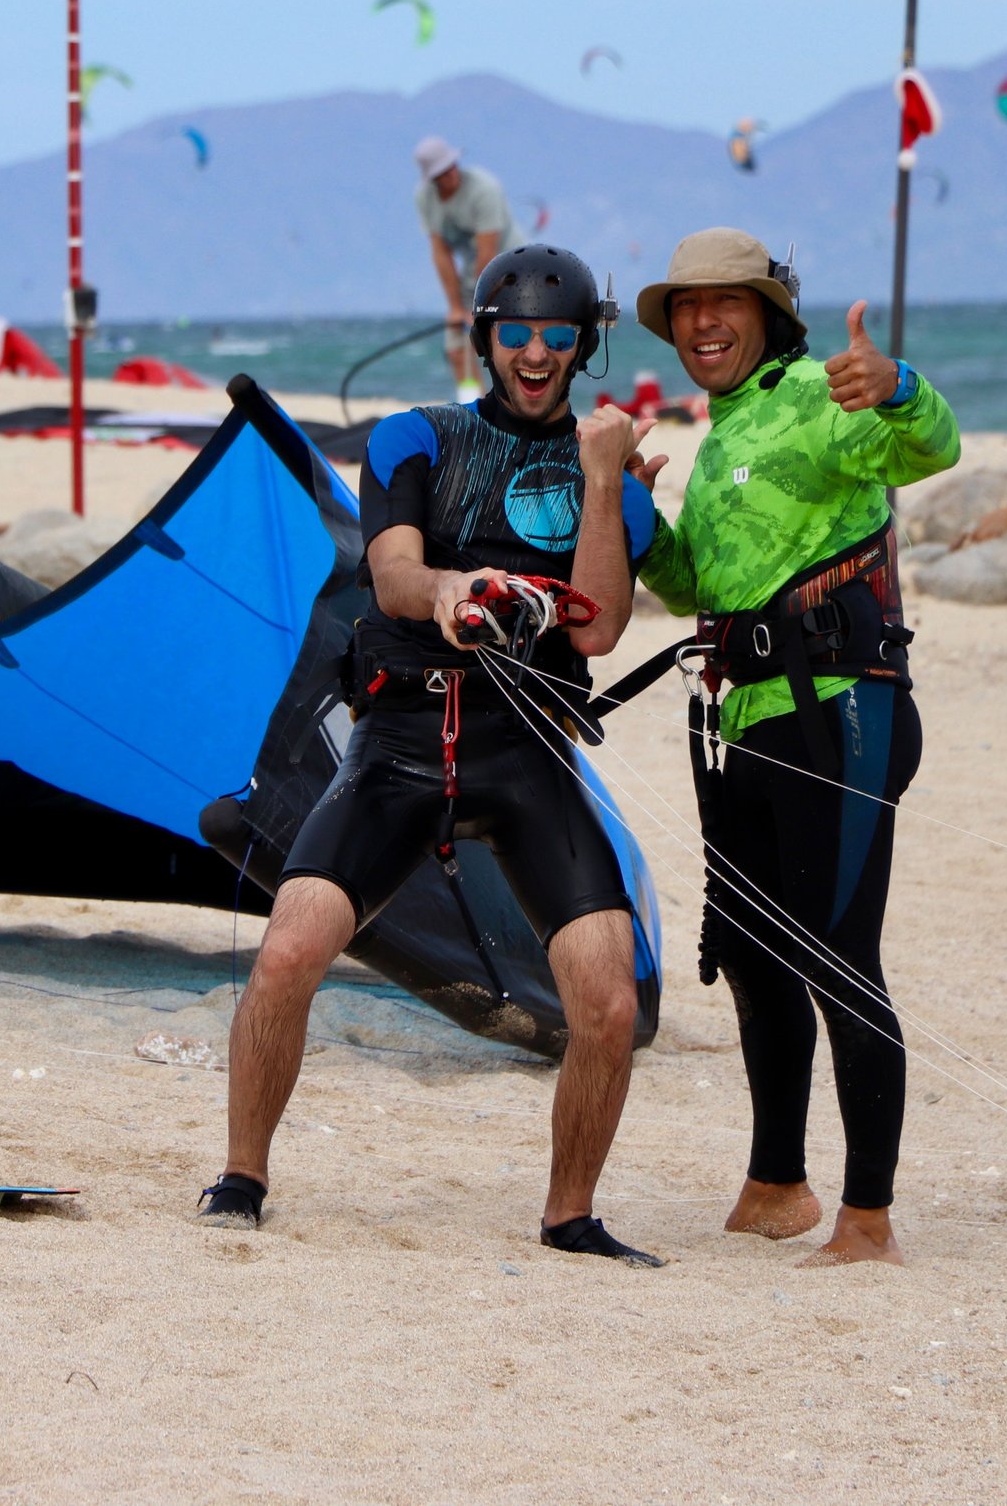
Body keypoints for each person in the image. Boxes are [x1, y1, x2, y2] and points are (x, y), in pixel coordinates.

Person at [197, 244, 667, 1267]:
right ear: (484, 337)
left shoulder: (615, 488)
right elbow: (394, 572)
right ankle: (242, 1173)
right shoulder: (418, 436)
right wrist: (455, 592)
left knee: (608, 995)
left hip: (526, 758)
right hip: (402, 747)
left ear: (583, 346)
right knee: (287, 951)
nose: (534, 352)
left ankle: (569, 1213)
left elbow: (592, 632)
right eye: (515, 332)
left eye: (556, 336)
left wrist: (599, 481)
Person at [631, 227, 960, 1268]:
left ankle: (867, 1217)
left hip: (841, 714)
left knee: (835, 956)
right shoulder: (723, 433)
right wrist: (635, 512)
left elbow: (929, 448)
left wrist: (898, 382)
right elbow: (687, 588)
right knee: (758, 960)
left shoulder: (822, 395)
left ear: (769, 313)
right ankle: (776, 1184)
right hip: (750, 723)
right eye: (684, 308)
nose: (700, 323)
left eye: (721, 302)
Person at [413, 136, 515, 394]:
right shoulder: (425, 198)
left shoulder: (484, 189)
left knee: (507, 344)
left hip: (509, 270)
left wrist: (478, 307)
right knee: (457, 347)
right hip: (472, 275)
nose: (450, 175)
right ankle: (472, 412)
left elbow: (488, 253)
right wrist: (456, 307)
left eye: (451, 166)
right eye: (442, 173)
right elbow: (440, 252)